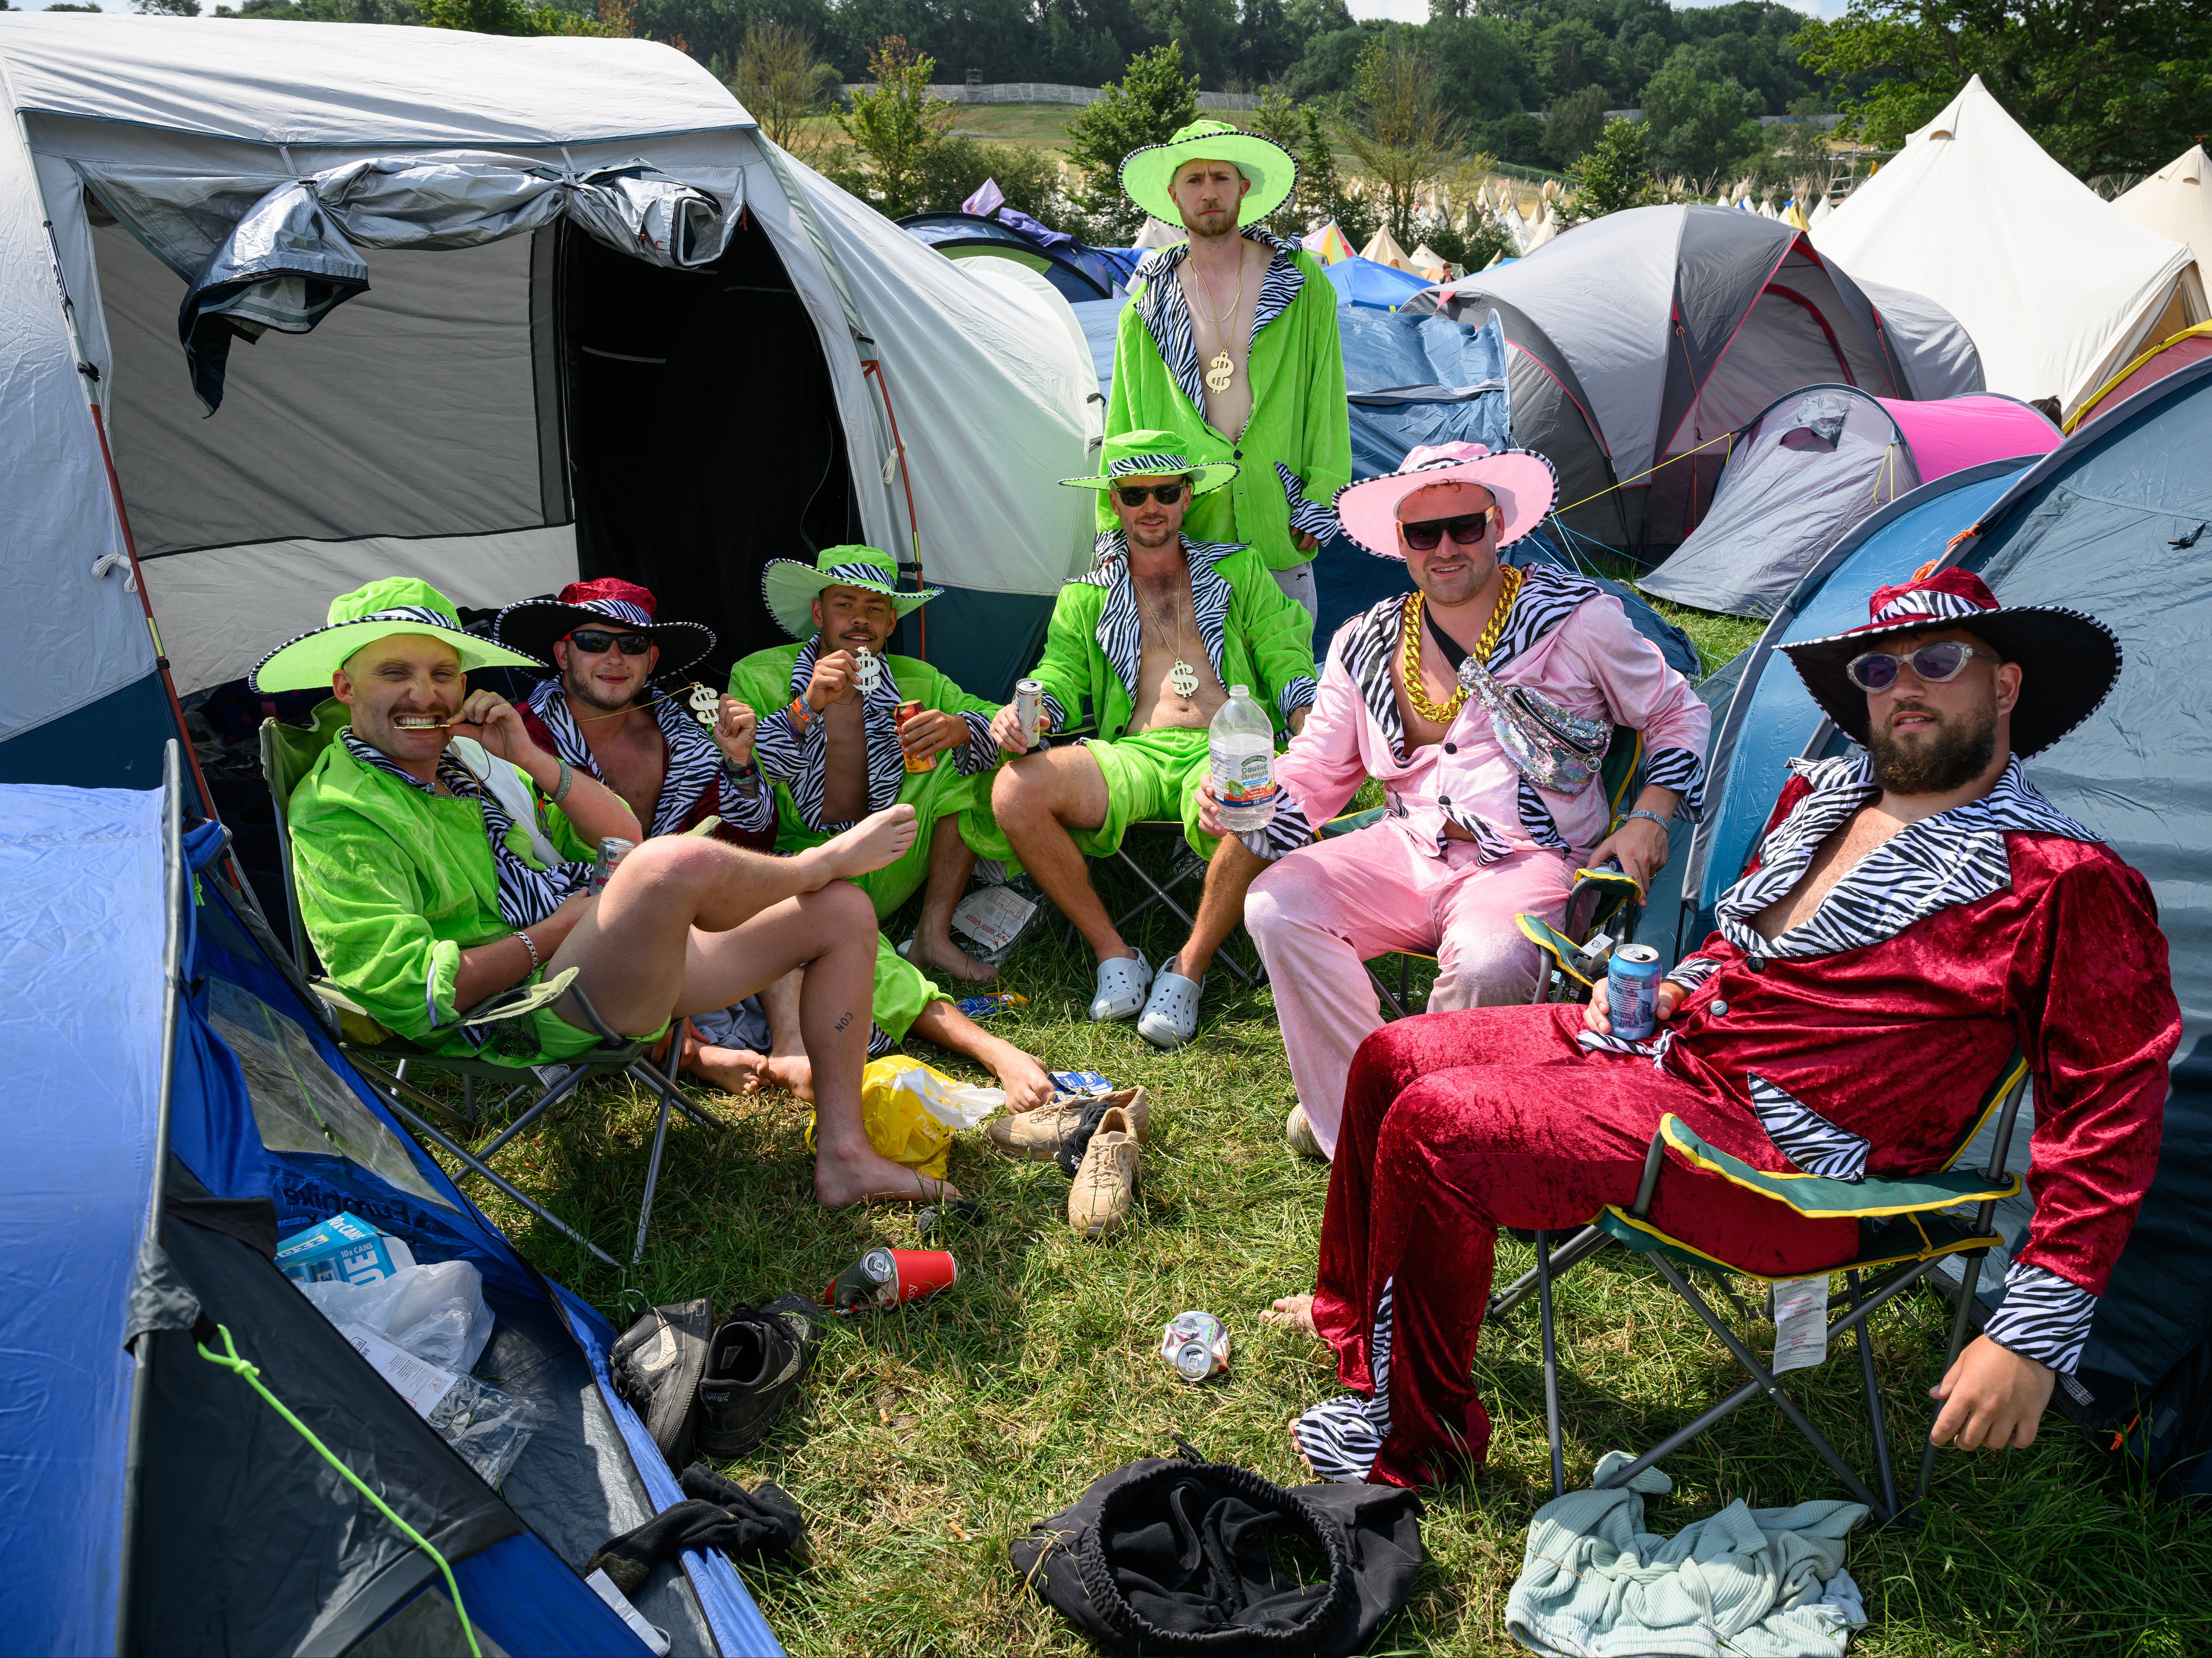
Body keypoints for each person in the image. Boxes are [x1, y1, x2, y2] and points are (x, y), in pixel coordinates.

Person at [1265, 568, 2178, 1489]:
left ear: (2004, 685)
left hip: (1782, 1164)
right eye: (1878, 668)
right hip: (1678, 1053)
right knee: (1389, 1059)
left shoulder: (2059, 880)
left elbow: (2110, 1112)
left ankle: (1416, 1443)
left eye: (1938, 662)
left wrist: (2026, 1332)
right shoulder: (1824, 799)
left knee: (1441, 1124)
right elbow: (1737, 945)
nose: (1904, 685)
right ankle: (1355, 1320)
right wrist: (1677, 984)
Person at [252, 576, 949, 1206]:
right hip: (520, 1005)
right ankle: (814, 866)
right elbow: (411, 991)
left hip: (602, 958)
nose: (425, 694)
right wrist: (559, 927)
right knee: (670, 865)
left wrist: (525, 758)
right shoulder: (343, 811)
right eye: (394, 673)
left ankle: (846, 1157)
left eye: (442, 673)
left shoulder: (467, 758)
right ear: (344, 687)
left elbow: (616, 833)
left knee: (843, 910)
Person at [1182, 443, 1708, 1139]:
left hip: (1528, 859)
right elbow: (1314, 772)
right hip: (1404, 846)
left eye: (1465, 526)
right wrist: (1247, 802)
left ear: (1498, 525)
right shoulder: (1364, 640)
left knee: (1491, 957)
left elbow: (1680, 712)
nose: (1447, 548)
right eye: (1424, 533)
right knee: (1277, 903)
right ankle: (1359, 1119)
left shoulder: (1576, 619)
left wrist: (1650, 814)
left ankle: (1432, 1124)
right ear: (1400, 541)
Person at [498, 576, 1049, 1110]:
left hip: (766, 887)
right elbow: (512, 871)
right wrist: (804, 708)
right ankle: (702, 1051)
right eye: (596, 642)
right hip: (597, 930)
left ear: (652, 659)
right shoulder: (521, 740)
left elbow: (745, 830)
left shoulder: (684, 727)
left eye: (633, 644)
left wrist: (739, 764)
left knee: (827, 889)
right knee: (802, 899)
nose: (615, 658)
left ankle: (945, 981)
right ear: (563, 653)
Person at [982, 431, 1317, 1026]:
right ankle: (1114, 951)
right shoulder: (1087, 595)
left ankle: (1189, 966)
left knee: (1264, 798)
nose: (1151, 507)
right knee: (1014, 789)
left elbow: (1282, 650)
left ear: (1187, 497)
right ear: (1115, 502)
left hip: (1225, 748)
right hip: (1133, 754)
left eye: (1165, 492)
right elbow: (1058, 674)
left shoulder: (1237, 569)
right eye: (1135, 495)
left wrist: (1307, 724)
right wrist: (1027, 714)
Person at [733, 547, 1053, 1111]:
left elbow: (1011, 733)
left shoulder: (917, 678)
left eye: (875, 609)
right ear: (819, 613)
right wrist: (808, 703)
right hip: (807, 865)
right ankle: (988, 1048)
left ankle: (932, 934)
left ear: (890, 623)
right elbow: (747, 782)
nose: (860, 619)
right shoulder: (760, 675)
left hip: (890, 853)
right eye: (845, 605)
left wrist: (963, 728)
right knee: (847, 937)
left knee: (970, 763)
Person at [1105, 119, 1349, 619]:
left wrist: (1323, 495)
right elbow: (1123, 426)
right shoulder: (1146, 304)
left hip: (1278, 523)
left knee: (1290, 689)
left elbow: (1327, 398)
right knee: (1194, 692)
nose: (1209, 192)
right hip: (1185, 532)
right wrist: (1115, 531)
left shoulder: (1301, 283)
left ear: (1243, 187)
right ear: (1174, 196)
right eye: (1194, 180)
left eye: (1220, 177)